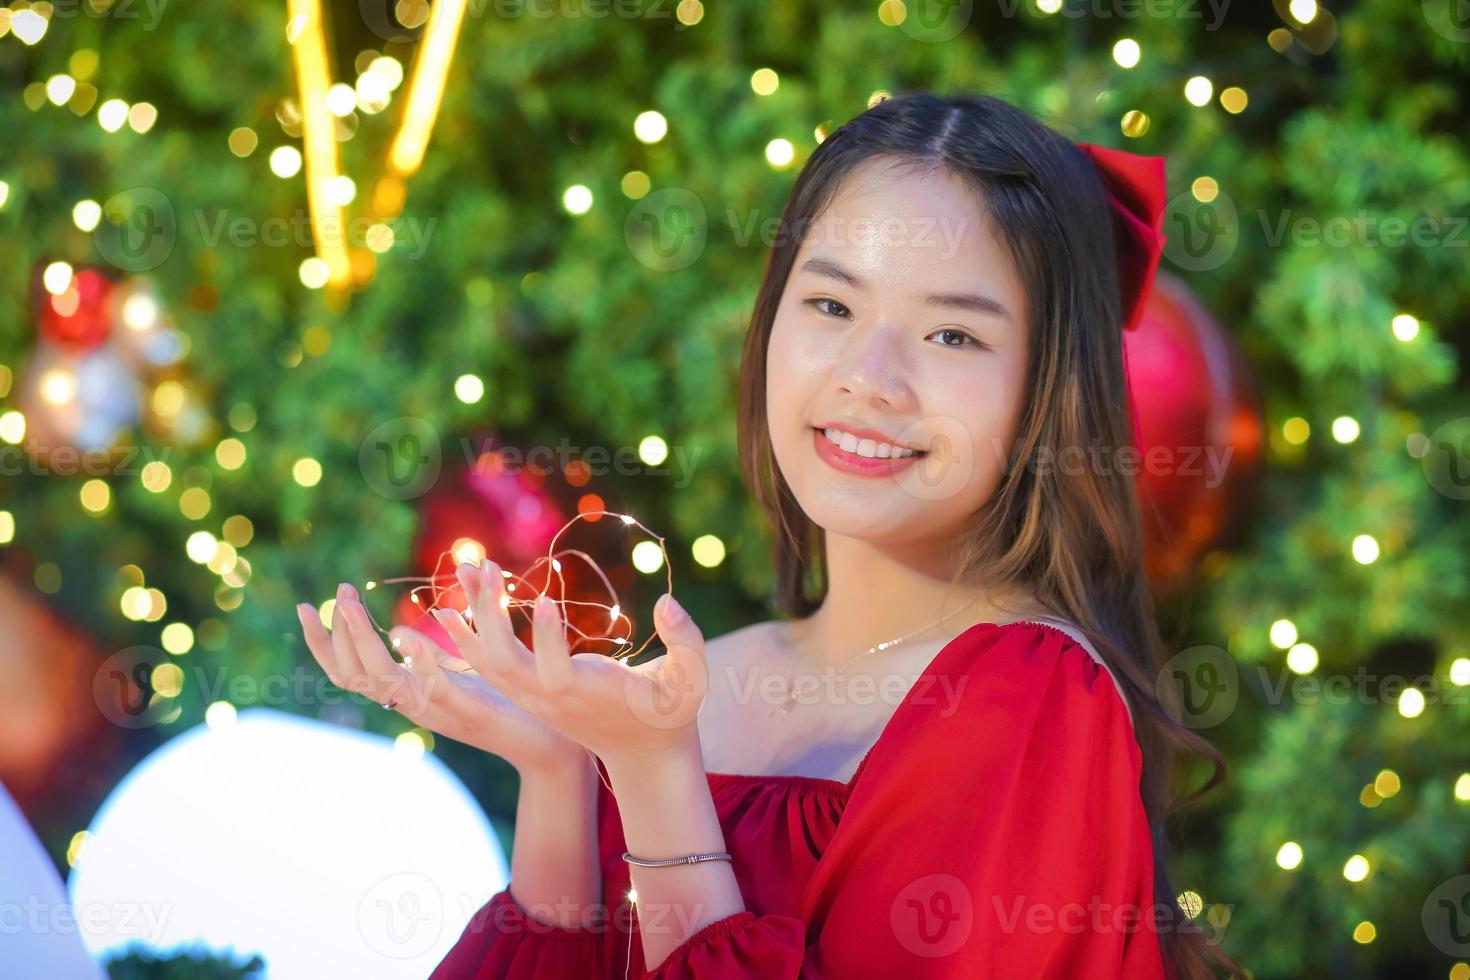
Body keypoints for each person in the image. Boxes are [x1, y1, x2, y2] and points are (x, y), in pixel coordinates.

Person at [298, 90, 1244, 979]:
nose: (869, 376)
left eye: (953, 335)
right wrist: (557, 770)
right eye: (831, 306)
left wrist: (654, 774)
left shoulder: (1028, 698)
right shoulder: (714, 675)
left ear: (1048, 390)